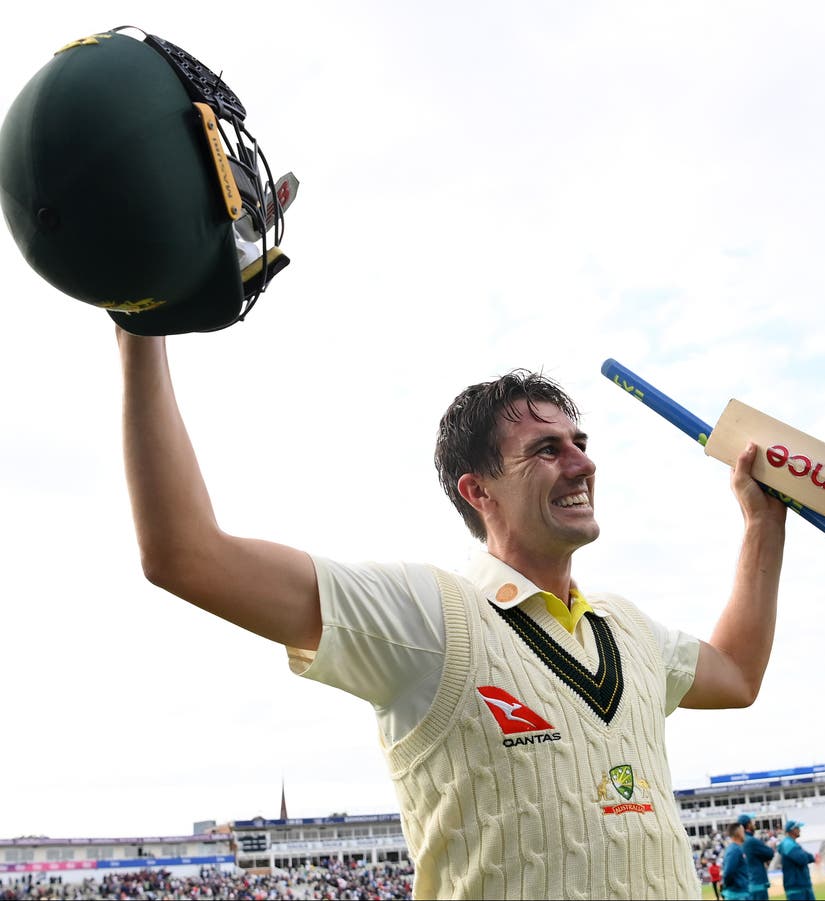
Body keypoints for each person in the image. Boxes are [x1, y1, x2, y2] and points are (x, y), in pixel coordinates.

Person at [115, 333, 790, 901]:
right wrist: (142, 330)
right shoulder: (431, 617)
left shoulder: (629, 629)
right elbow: (188, 555)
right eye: (547, 449)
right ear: (478, 489)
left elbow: (736, 673)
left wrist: (762, 524)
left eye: (578, 441)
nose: (583, 461)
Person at [738, 814, 775, 901]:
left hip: (748, 884)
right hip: (757, 884)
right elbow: (770, 853)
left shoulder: (740, 841)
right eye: (752, 822)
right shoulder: (751, 840)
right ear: (748, 825)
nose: (754, 825)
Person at [778, 820, 815, 901]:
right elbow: (803, 859)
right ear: (792, 830)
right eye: (797, 828)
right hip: (796, 887)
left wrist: (806, 856)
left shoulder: (793, 844)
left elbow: (810, 857)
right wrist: (806, 855)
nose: (799, 830)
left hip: (802, 885)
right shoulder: (788, 844)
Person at [723, 822, 751, 901]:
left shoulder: (737, 848)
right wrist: (729, 886)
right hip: (737, 894)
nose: (744, 833)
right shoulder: (734, 850)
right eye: (742, 831)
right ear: (738, 832)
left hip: (740, 892)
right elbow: (728, 872)